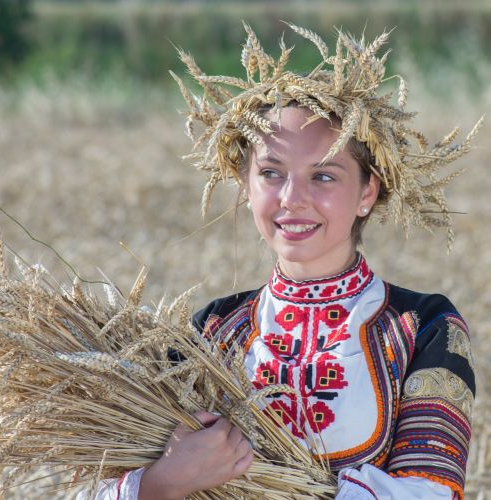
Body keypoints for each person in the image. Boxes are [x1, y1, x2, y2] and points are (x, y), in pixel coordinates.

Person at [85, 23, 478, 500]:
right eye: (271, 173)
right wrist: (166, 480)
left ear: (367, 192)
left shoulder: (423, 327)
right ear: (246, 188)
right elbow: (97, 488)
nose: (292, 198)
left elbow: (431, 491)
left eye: (324, 176)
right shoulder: (208, 333)